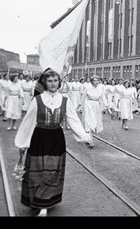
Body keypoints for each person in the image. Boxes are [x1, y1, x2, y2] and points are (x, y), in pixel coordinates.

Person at [14, 69, 93, 216]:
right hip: (39, 138)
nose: (53, 83)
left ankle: (44, 204)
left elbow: (73, 120)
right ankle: (36, 200)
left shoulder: (65, 100)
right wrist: (23, 143)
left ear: (59, 82)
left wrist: (85, 137)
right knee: (37, 171)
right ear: (45, 82)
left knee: (52, 172)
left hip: (56, 138)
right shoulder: (37, 100)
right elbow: (28, 122)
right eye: (49, 81)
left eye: (55, 80)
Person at [78, 75, 110, 146]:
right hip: (88, 105)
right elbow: (83, 97)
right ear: (92, 81)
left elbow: (103, 98)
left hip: (96, 106)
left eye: (97, 81)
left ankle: (88, 137)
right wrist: (79, 105)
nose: (96, 82)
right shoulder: (88, 88)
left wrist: (107, 107)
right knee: (88, 121)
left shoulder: (101, 88)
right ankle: (90, 140)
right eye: (94, 81)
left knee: (94, 122)